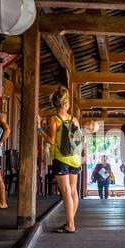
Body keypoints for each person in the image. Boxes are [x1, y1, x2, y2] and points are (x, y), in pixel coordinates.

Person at [37, 87, 83, 233]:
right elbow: (78, 139)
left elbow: (51, 141)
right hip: (75, 158)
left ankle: (70, 225)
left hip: (61, 159)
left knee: (65, 191)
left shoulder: (54, 119)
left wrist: (39, 130)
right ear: (67, 103)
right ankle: (70, 222)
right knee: (73, 191)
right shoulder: (74, 119)